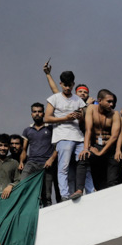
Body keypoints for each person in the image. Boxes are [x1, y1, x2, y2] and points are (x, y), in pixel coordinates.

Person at [44, 64, 89, 201]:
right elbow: (47, 118)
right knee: (63, 167)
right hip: (63, 136)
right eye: (65, 85)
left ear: (73, 84)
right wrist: (65, 118)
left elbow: (83, 121)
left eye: (70, 85)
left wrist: (80, 117)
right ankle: (64, 195)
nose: (68, 88)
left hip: (79, 137)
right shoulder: (55, 98)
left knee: (84, 163)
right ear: (61, 84)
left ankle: (90, 191)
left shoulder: (78, 99)